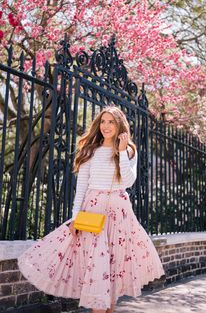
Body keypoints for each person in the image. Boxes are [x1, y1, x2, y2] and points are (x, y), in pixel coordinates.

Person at [18, 105, 165, 313]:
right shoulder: (90, 149)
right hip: (93, 212)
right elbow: (81, 188)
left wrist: (122, 152)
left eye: (111, 122)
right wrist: (75, 218)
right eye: (103, 121)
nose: (106, 126)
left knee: (113, 269)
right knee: (98, 267)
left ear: (119, 125)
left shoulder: (129, 150)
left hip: (120, 214)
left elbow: (129, 181)